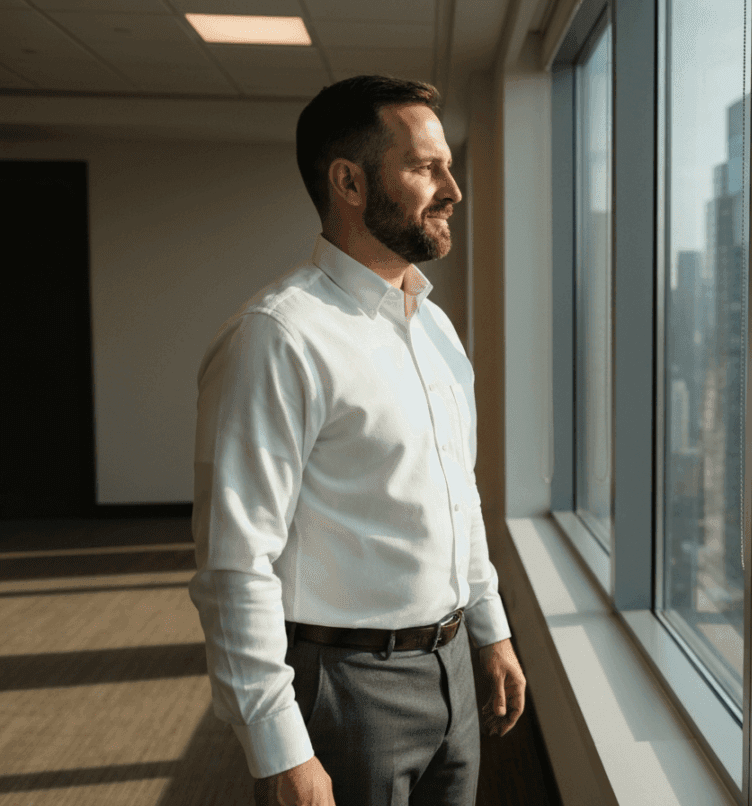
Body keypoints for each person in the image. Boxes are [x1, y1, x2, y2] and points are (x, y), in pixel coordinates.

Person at [188, 74, 526, 806]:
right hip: (342, 687)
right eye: (423, 167)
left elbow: (453, 494)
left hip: (449, 670)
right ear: (348, 180)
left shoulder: (432, 326)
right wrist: (277, 747)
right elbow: (233, 562)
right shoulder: (276, 337)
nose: (452, 190)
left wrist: (489, 630)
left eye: (448, 165)